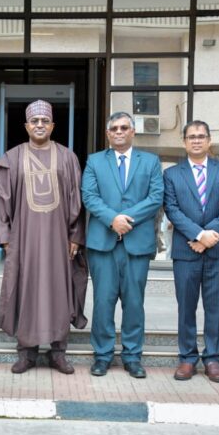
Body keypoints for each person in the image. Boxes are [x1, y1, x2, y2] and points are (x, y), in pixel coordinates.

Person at [0, 99, 85, 375]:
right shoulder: (13, 157)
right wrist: (5, 237)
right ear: (26, 126)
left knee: (59, 290)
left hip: (58, 241)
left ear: (53, 125)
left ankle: (58, 352)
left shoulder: (67, 157)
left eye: (45, 121)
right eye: (34, 121)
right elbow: (3, 202)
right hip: (24, 240)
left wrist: (75, 235)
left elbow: (77, 200)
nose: (39, 125)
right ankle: (26, 353)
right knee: (25, 290)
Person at [82, 111, 163, 378]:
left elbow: (155, 197)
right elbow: (89, 197)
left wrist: (126, 219)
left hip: (136, 244)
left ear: (133, 132)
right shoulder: (94, 161)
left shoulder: (150, 162)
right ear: (108, 134)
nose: (119, 132)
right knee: (103, 302)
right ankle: (102, 355)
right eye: (114, 128)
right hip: (103, 243)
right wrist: (111, 219)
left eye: (124, 127)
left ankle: (132, 356)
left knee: (134, 302)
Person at [163, 120, 219, 383]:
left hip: (218, 251)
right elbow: (171, 209)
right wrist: (198, 235)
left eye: (201, 136)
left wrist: (209, 237)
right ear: (184, 141)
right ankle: (187, 358)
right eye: (191, 137)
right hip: (186, 251)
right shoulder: (172, 174)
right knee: (186, 307)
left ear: (209, 141)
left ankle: (213, 359)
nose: (196, 140)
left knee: (214, 307)